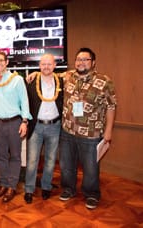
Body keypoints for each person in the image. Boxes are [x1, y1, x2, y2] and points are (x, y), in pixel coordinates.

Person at [58, 48, 116, 209]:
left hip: (91, 134)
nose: (81, 62)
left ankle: (91, 194)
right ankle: (68, 189)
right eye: (78, 59)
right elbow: (49, 74)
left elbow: (111, 106)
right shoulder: (68, 76)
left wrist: (109, 130)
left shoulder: (104, 81)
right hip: (68, 131)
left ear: (93, 62)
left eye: (85, 59)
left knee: (91, 168)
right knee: (66, 165)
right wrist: (35, 74)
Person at [0, 51, 32, 203]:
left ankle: (12, 186)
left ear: (7, 62)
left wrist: (25, 121)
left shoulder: (17, 80)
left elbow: (25, 101)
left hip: (14, 122)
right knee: (1, 156)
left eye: (2, 60)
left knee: (15, 156)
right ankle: (3, 183)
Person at [23, 53, 64, 204]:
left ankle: (46, 187)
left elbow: (74, 72)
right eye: (43, 64)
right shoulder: (31, 81)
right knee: (32, 160)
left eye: (49, 64)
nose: (46, 67)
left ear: (55, 65)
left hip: (54, 126)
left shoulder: (62, 81)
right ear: (39, 66)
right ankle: (29, 189)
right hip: (36, 126)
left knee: (51, 160)